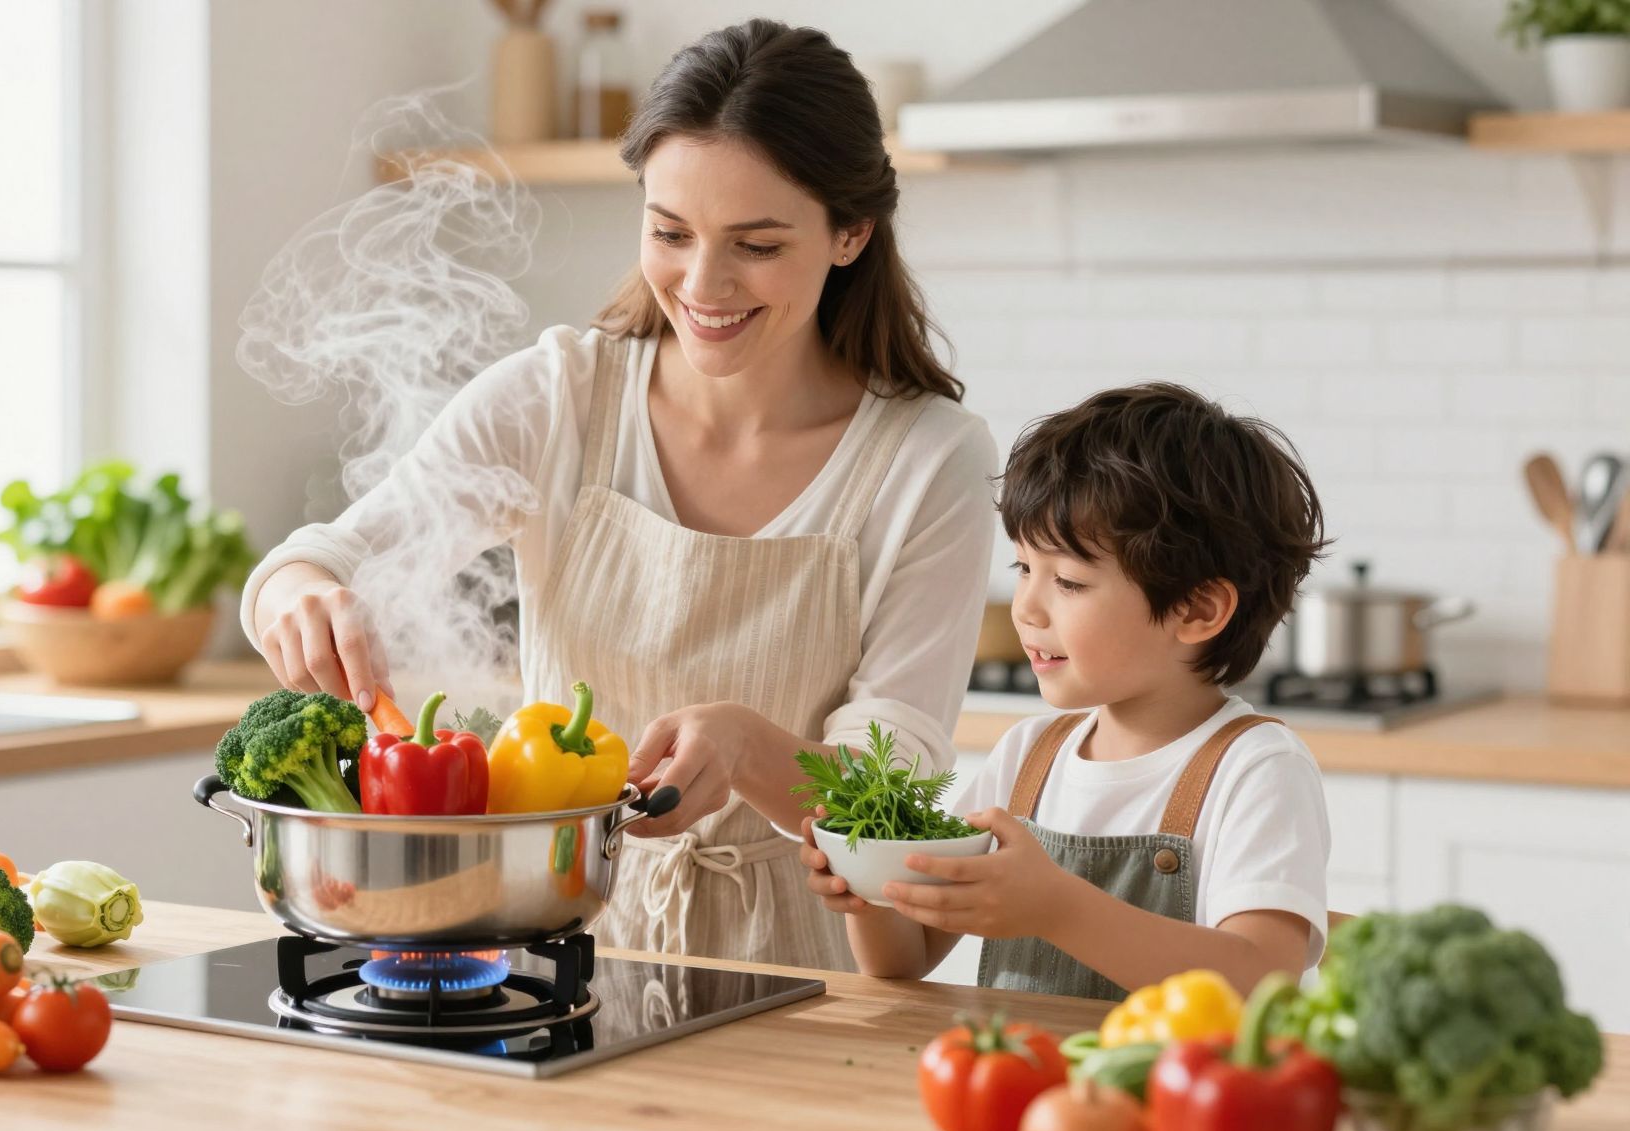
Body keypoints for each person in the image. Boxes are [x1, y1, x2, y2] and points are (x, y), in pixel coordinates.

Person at [241, 19, 996, 971]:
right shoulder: (555, 399)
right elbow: (332, 556)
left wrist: (753, 750)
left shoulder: (929, 462)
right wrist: (297, 593)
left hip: (806, 977)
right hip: (550, 946)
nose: (703, 284)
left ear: (851, 233)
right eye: (670, 232)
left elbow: (892, 805)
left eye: (756, 244)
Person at [804, 383, 1333, 996]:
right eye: (1024, 568)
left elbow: (1260, 977)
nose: (1026, 608)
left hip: (1165, 1089)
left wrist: (1057, 908)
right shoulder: (1028, 756)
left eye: (1071, 582)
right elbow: (904, 960)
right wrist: (868, 887)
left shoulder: (1256, 768)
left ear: (1197, 608)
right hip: (1018, 1084)